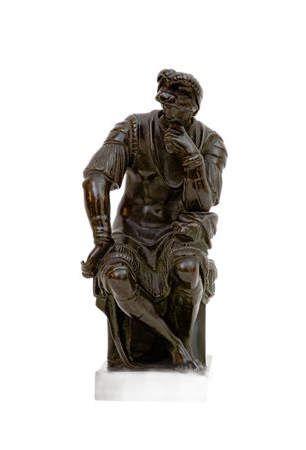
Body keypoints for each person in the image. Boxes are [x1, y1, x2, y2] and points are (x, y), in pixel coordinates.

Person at [82, 69, 227, 369]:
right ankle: (174, 346)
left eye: (180, 106)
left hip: (178, 233)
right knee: (117, 275)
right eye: (166, 103)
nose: (171, 111)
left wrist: (191, 157)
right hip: (131, 232)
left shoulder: (210, 142)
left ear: (194, 108)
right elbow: (96, 178)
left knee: (188, 269)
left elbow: (206, 201)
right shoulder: (133, 129)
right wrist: (101, 238)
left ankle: (183, 345)